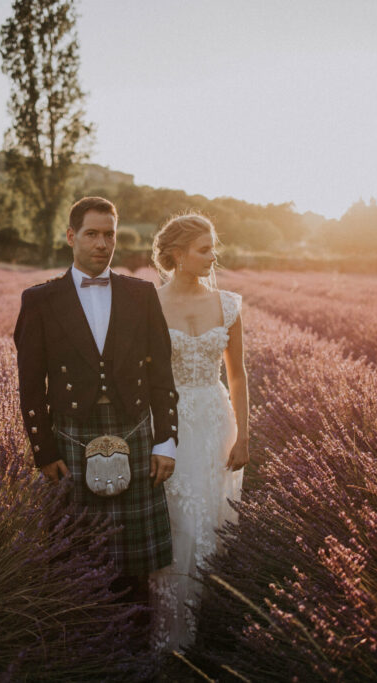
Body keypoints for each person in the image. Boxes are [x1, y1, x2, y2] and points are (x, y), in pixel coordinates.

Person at [13, 196, 179, 612]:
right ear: (71, 237)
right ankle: (87, 642)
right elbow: (30, 384)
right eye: (92, 234)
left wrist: (166, 441)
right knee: (77, 552)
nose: (102, 243)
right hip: (72, 431)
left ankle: (137, 649)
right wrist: (43, 452)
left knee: (134, 562)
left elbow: (162, 374)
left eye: (110, 235)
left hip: (136, 429)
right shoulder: (40, 300)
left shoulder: (141, 294)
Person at [148, 213, 249, 652]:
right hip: (168, 423)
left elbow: (238, 375)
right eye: (204, 249)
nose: (213, 256)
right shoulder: (147, 304)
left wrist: (244, 435)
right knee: (176, 520)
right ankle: (169, 633)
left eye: (213, 248)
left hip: (215, 420)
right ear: (177, 255)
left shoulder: (228, 304)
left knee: (210, 519)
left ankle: (209, 625)